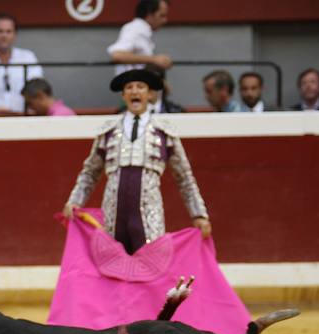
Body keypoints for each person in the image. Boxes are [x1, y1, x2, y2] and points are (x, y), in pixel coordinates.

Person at [63, 69, 210, 255]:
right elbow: (90, 173)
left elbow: (185, 179)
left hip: (150, 211)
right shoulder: (108, 132)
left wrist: (199, 214)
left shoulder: (164, 132)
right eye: (129, 88)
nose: (135, 91)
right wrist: (74, 201)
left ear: (150, 94)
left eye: (140, 87)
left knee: (152, 263)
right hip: (113, 212)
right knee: (112, 266)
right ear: (123, 95)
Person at [107, 0, 172, 76]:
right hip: (132, 85)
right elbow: (117, 56)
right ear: (149, 14)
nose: (165, 20)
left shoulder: (142, 30)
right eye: (161, 16)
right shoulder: (135, 28)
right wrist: (154, 59)